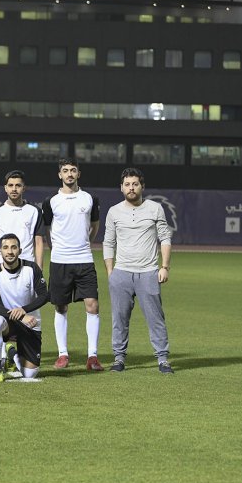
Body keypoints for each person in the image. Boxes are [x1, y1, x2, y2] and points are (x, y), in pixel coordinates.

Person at [102, 167, 174, 374]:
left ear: (142, 186)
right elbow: (108, 242)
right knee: (119, 318)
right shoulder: (114, 211)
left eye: (135, 184)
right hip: (121, 273)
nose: (131, 188)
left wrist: (165, 267)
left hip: (149, 272)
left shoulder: (155, 209)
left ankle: (163, 359)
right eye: (127, 184)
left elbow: (165, 238)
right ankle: (118, 358)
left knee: (156, 318)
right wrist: (110, 272)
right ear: (121, 188)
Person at [41, 158, 103, 371]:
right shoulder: (51, 201)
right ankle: (63, 354)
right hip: (60, 261)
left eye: (73, 170)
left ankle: (92, 356)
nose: (69, 174)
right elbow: (47, 229)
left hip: (84, 260)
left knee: (93, 305)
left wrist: (86, 242)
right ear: (60, 175)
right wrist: (57, 248)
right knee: (60, 306)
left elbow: (95, 225)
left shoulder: (89, 198)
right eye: (65, 171)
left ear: (78, 174)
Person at [0, 233, 50, 382]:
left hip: (31, 322)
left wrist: (24, 310)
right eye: (6, 248)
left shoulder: (31, 268)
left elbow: (44, 296)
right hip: (8, 322)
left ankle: (11, 353)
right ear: (0, 251)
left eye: (14, 247)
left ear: (20, 250)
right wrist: (21, 315)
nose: (10, 251)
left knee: (29, 374)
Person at [0, 169, 45, 270]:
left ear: (24, 188)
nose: (14, 189)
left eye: (18, 185)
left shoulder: (35, 211)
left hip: (27, 267)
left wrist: (39, 270)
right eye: (10, 185)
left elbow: (39, 243)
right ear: (5, 188)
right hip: (2, 268)